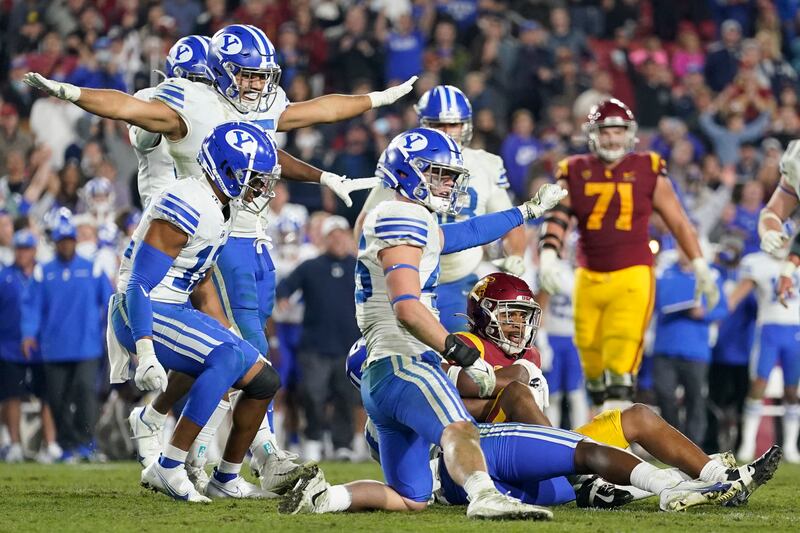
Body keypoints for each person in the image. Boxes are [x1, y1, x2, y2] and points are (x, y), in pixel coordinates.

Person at [24, 23, 415, 491]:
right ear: (219, 72)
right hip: (202, 229)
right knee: (244, 348)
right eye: (246, 74)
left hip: (247, 232)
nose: (256, 84)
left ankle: (171, 431)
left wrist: (373, 102)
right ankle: (253, 454)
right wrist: (70, 92)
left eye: (261, 75)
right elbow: (128, 108)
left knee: (230, 350)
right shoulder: (190, 102)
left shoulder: (261, 104)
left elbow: (313, 113)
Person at [281, 126, 567, 520]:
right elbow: (407, 308)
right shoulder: (401, 216)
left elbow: (467, 232)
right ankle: (484, 495)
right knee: (459, 428)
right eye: (439, 174)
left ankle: (325, 497)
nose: (449, 184)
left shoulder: (410, 217)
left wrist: (526, 211)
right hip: (404, 361)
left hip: (385, 370)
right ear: (407, 172)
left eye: (450, 176)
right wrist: (461, 354)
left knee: (411, 496)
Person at [107, 121, 292, 502]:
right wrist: (145, 351)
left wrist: (228, 330)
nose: (261, 188)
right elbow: (138, 283)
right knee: (225, 358)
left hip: (174, 307)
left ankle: (226, 478)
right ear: (226, 170)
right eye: (254, 177)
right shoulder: (187, 201)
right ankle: (169, 466)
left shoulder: (220, 206)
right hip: (142, 308)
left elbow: (201, 278)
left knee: (263, 379)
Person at [537, 98, 719, 409]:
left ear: (629, 134)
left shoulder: (647, 168)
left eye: (618, 132)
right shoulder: (575, 169)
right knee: (593, 369)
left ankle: (614, 434)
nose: (612, 139)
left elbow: (678, 221)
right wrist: (548, 255)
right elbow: (558, 217)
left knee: (620, 365)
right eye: (606, 132)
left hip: (633, 274)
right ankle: (604, 431)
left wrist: (700, 264)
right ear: (593, 134)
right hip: (588, 275)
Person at [355, 85, 526, 333]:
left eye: (453, 124)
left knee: (463, 345)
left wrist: (516, 254)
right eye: (438, 125)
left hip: (460, 278)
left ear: (466, 125)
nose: (446, 131)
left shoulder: (486, 164)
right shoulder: (406, 160)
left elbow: (510, 224)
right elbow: (366, 221)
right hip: (411, 272)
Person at [21, 213, 114, 462]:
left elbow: (109, 301)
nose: (65, 245)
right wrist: (28, 333)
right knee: (57, 398)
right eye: (61, 241)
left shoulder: (92, 268)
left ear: (74, 241)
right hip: (54, 347)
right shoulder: (43, 272)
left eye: (69, 240)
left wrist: (114, 331)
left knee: (85, 393)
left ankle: (87, 443)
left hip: (86, 346)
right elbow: (31, 306)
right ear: (55, 243)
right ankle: (67, 445)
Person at [275, 215, 361, 461]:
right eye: (333, 236)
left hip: (348, 344)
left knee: (345, 396)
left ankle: (342, 444)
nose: (338, 240)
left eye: (341, 235)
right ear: (324, 240)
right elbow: (285, 286)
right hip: (315, 344)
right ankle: (312, 439)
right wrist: (283, 297)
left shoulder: (358, 268)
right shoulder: (311, 266)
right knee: (313, 395)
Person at [727, 247, 800, 463]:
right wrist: (720, 310)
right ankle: (748, 444)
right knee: (758, 385)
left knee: (792, 390)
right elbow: (737, 295)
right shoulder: (757, 262)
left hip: (795, 330)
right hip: (768, 330)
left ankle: (791, 447)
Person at [651, 250, 728, 445]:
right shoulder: (662, 272)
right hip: (665, 347)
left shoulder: (711, 275)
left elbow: (722, 308)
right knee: (664, 395)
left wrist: (704, 313)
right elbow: (651, 303)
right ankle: (671, 442)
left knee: (695, 399)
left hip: (696, 350)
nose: (685, 252)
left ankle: (693, 447)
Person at [0, 230, 59, 463]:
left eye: (27, 249)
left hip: (42, 348)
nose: (23, 253)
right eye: (19, 249)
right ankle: (15, 444)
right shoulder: (4, 276)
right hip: (9, 346)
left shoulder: (45, 274)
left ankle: (50, 444)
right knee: (12, 396)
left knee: (47, 396)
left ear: (34, 250)